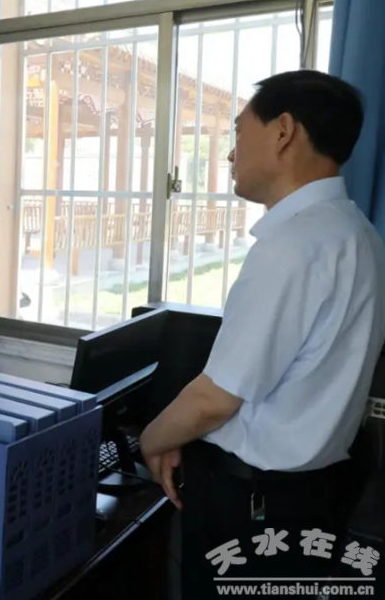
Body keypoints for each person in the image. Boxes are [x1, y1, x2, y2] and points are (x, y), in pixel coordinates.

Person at [139, 70, 385, 597]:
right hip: (314, 494)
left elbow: (214, 400)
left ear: (283, 131)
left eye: (238, 131)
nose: (231, 153)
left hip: (255, 504)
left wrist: (151, 439)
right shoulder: (358, 233)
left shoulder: (292, 245)